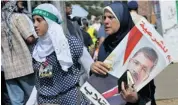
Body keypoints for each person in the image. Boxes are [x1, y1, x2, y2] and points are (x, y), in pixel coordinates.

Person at [32, 3, 102, 104]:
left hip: (71, 99)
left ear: (50, 21)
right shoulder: (36, 49)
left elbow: (89, 66)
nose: (35, 24)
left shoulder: (70, 43)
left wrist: (93, 66)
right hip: (46, 101)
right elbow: (39, 81)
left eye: (39, 20)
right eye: (33, 20)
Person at [91, 2, 157, 105]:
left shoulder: (137, 47)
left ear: (122, 19)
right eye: (104, 18)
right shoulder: (105, 46)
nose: (106, 21)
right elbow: (101, 80)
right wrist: (93, 68)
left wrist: (135, 99)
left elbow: (148, 93)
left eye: (111, 17)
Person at [1, 1, 36, 105]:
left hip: (8, 70)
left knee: (16, 102)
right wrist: (36, 37)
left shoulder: (1, 21)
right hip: (24, 67)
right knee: (34, 98)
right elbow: (29, 39)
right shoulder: (17, 17)